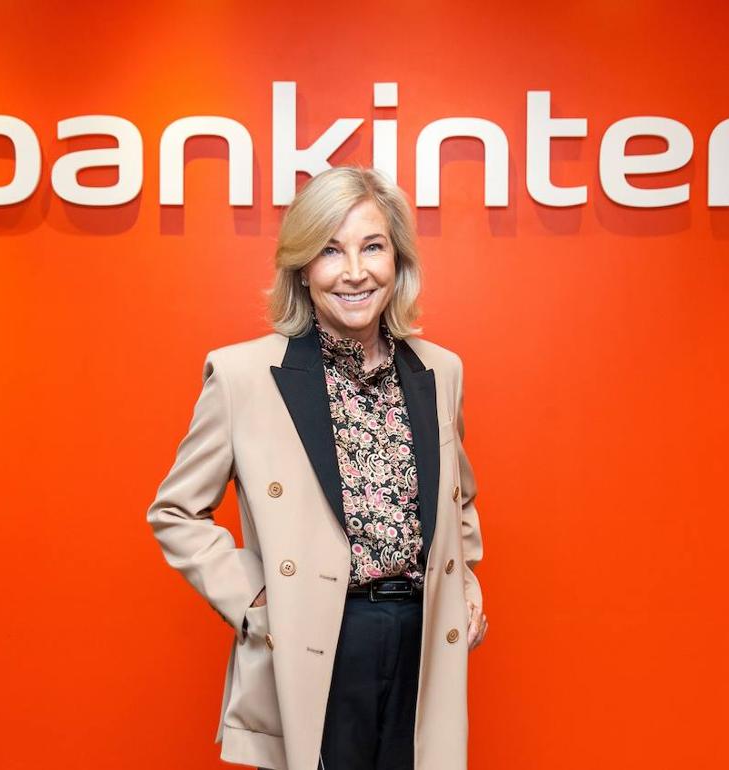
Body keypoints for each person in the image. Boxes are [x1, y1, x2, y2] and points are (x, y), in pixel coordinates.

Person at [146, 164, 487, 770]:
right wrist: (255, 598)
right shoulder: (243, 376)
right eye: (331, 250)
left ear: (398, 260)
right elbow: (175, 511)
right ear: (302, 267)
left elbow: (457, 497)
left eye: (372, 246)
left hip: (422, 638)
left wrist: (466, 583)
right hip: (318, 637)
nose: (355, 271)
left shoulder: (441, 371)